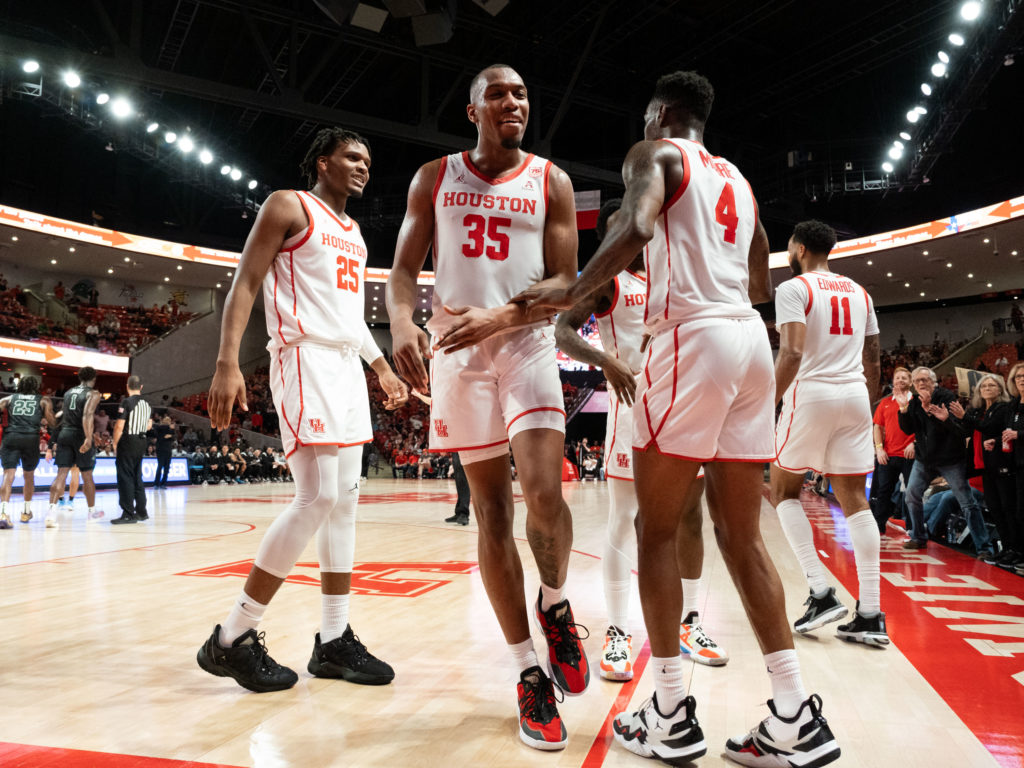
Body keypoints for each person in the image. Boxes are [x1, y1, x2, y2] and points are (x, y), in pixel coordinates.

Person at [518, 71, 839, 767]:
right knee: (740, 536)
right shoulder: (741, 181)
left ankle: (666, 712)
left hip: (690, 338)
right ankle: (793, 715)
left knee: (652, 530)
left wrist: (572, 288)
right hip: (749, 342)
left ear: (661, 113)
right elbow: (760, 280)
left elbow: (634, 226)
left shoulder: (654, 154)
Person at [387, 64, 587, 751]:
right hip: (456, 354)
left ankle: (555, 603)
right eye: (498, 94)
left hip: (525, 343)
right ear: (471, 110)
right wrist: (402, 324)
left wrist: (502, 314)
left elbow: (567, 284)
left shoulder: (550, 179)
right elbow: (402, 273)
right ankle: (530, 673)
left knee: (542, 493)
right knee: (493, 515)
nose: (513, 103)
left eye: (522, 93)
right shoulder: (434, 177)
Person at [196, 127, 408, 695]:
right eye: (352, 157)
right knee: (316, 496)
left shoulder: (356, 234)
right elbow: (246, 282)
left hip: (343, 365)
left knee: (344, 505)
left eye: (368, 159)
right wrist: (226, 362)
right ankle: (231, 638)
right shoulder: (290, 206)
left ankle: (333, 640)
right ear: (323, 162)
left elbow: (349, 315)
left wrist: (381, 366)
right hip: (302, 358)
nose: (364, 166)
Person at [554, 198, 727, 681]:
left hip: (685, 411)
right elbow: (561, 331)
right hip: (632, 411)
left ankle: (690, 621)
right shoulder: (608, 280)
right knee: (624, 518)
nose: (632, 235)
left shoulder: (674, 276)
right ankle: (616, 630)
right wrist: (604, 360)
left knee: (690, 518)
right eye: (619, 229)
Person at [770, 220, 887, 647]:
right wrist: (867, 406)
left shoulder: (794, 288)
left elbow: (793, 352)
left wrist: (766, 403)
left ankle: (820, 592)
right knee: (855, 500)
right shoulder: (861, 292)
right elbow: (873, 356)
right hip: (856, 394)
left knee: (782, 490)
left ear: (799, 248)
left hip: (812, 393)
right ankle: (871, 613)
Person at [897, 367, 994, 558]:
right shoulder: (915, 402)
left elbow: (956, 430)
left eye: (925, 380)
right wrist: (903, 409)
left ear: (934, 382)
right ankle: (918, 536)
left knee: (967, 502)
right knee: (911, 495)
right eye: (917, 381)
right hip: (925, 459)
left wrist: (929, 411)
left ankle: (984, 547)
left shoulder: (947, 397)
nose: (921, 384)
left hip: (950, 459)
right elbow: (908, 429)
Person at [957, 374, 1017, 565]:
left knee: (1007, 509)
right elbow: (965, 429)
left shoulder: (1002, 408)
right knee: (996, 509)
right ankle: (1005, 548)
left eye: (992, 385)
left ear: (1000, 389)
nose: (988, 388)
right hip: (985, 467)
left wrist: (965, 416)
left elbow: (988, 428)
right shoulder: (980, 411)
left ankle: (1014, 549)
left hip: (1001, 464)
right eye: (984, 386)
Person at [47, 366, 103, 527]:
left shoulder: (68, 392)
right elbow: (87, 414)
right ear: (94, 378)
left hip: (65, 432)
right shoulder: (93, 393)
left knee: (61, 474)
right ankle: (92, 513)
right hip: (79, 434)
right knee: (87, 476)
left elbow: (61, 416)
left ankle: (51, 513)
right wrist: (87, 437)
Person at [0, 376, 57, 528]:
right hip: (30, 438)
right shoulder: (43, 400)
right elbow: (52, 422)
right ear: (36, 387)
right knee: (28, 475)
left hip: (11, 436)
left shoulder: (9, 398)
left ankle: (3, 513)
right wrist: (56, 416)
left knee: (8, 475)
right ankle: (25, 512)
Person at [870, 367, 916, 534]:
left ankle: (913, 529)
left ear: (911, 382)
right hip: (888, 455)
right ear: (893, 381)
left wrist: (915, 443)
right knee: (883, 491)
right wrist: (879, 449)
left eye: (904, 377)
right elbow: (877, 427)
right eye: (897, 377)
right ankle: (878, 526)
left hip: (910, 455)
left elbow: (924, 427)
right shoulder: (885, 402)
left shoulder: (916, 402)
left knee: (912, 493)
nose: (900, 380)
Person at [111, 375, 153, 525]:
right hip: (142, 441)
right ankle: (141, 512)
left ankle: (128, 513)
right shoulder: (147, 403)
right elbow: (149, 425)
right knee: (137, 476)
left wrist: (115, 443)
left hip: (128, 441)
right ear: (141, 387)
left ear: (127, 386)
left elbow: (119, 426)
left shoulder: (127, 402)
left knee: (125, 477)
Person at [1001, 363, 1024, 570]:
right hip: (1017, 465)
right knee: (1018, 512)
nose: (1022, 379)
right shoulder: (1014, 405)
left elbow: (1017, 433)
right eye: (1018, 377)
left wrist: (1019, 435)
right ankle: (1018, 552)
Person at [445, 452, 471, 526]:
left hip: (464, 446)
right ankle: (459, 512)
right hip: (456, 448)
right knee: (459, 479)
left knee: (463, 479)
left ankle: (464, 513)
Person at [152, 414, 175, 488]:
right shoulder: (159, 428)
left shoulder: (170, 429)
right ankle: (156, 483)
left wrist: (170, 435)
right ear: (164, 421)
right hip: (161, 449)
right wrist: (167, 436)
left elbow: (173, 437)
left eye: (169, 420)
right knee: (160, 466)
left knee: (167, 468)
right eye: (167, 420)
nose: (168, 422)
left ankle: (163, 483)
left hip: (168, 450)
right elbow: (160, 437)